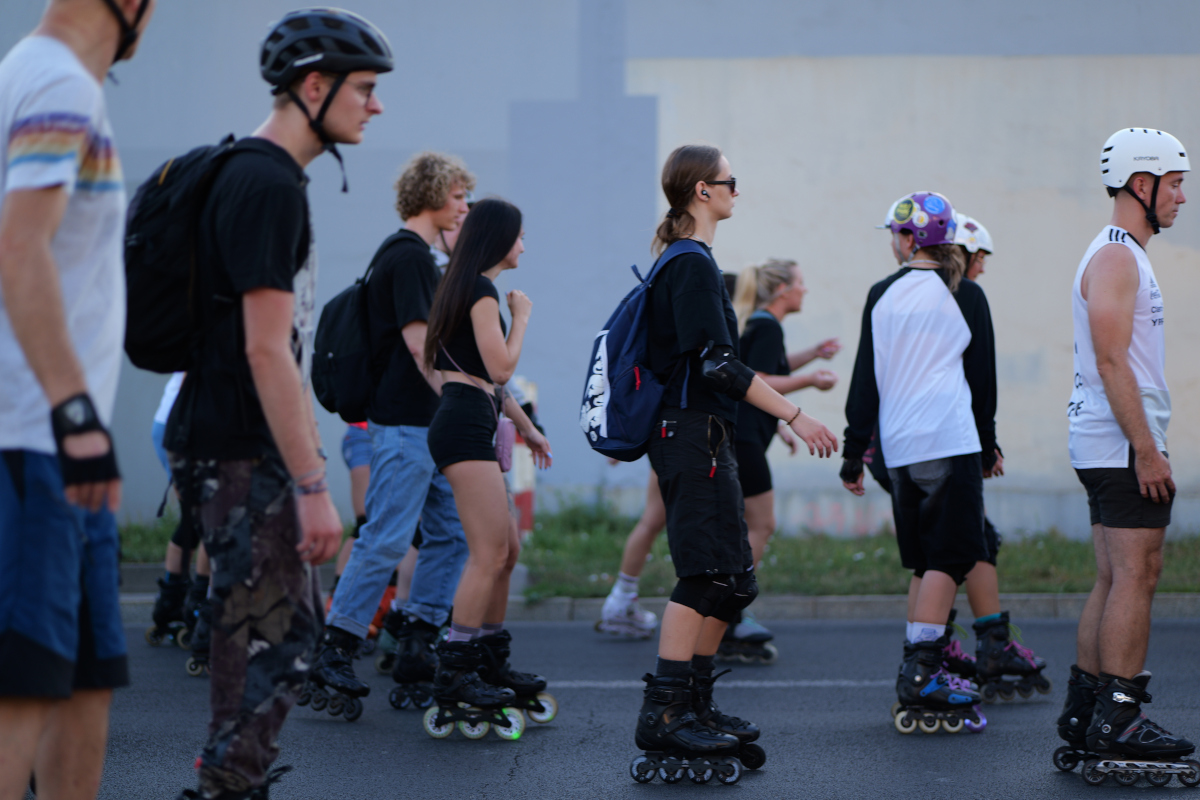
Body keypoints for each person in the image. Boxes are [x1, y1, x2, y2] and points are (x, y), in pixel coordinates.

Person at [165, 9, 390, 798]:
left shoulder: (257, 175)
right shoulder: (265, 185)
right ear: (314, 85)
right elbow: (269, 348)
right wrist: (309, 484)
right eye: (364, 88)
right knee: (277, 637)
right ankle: (228, 784)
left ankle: (230, 777)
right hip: (239, 448)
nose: (376, 104)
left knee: (260, 633)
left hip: (225, 443)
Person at [627, 144, 837, 783]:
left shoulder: (693, 260)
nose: (736, 191)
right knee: (705, 574)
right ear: (701, 192)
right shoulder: (689, 264)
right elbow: (716, 365)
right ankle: (664, 713)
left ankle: (694, 702)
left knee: (734, 578)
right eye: (730, 182)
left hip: (708, 435)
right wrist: (794, 412)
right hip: (690, 435)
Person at [0, 1, 154, 798]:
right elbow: (19, 245)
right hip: (37, 436)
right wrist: (75, 415)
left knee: (87, 674)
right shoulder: (60, 85)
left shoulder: (27, 76)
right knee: (23, 681)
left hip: (60, 444)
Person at [311, 152, 475, 712]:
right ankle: (336, 646)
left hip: (428, 425)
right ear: (431, 195)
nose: (464, 206)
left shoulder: (424, 257)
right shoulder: (406, 257)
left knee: (450, 536)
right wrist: (461, 402)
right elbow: (418, 344)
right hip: (405, 423)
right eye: (457, 196)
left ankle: (417, 642)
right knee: (385, 537)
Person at [1054, 128, 1195, 772]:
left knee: (1114, 576)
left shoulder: (1120, 253)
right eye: (1174, 183)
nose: (1181, 197)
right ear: (1142, 184)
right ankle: (1119, 716)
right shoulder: (1116, 257)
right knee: (1138, 574)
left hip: (1107, 442)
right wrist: (1147, 448)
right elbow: (1112, 361)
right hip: (1120, 445)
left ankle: (1086, 711)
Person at [840, 191, 992, 734]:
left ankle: (919, 659)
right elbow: (982, 380)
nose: (891, 243)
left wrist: (853, 452)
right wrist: (989, 440)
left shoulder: (882, 294)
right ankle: (923, 672)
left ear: (910, 239)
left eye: (894, 234)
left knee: (925, 560)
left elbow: (865, 379)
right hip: (949, 441)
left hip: (900, 448)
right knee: (950, 559)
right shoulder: (964, 293)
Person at [422, 197, 554, 737]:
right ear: (499, 238)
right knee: (489, 553)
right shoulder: (481, 290)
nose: (524, 245)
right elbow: (501, 364)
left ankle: (489, 657)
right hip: (463, 426)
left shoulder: (468, 288)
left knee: (508, 549)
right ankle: (455, 671)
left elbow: (485, 378)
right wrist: (521, 318)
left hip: (475, 416)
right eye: (520, 236)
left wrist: (526, 426)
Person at [720, 259, 839, 662]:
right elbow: (757, 379)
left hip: (746, 436)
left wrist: (811, 356)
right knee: (762, 524)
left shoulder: (760, 323)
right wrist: (810, 381)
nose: (805, 290)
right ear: (784, 290)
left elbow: (768, 370)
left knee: (747, 526)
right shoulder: (767, 325)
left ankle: (729, 610)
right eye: (801, 283)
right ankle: (729, 611)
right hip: (745, 440)